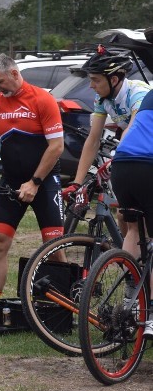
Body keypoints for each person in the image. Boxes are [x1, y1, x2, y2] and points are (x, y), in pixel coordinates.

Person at [0, 53, 64, 323]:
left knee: (54, 245)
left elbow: (57, 147)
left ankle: (60, 310)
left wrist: (35, 182)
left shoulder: (42, 99)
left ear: (14, 73)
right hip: (10, 181)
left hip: (43, 182)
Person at [64, 46, 151, 197]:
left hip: (146, 151)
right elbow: (93, 139)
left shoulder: (138, 92)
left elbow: (132, 130)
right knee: (123, 214)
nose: (91, 86)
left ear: (114, 80)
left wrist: (118, 158)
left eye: (95, 80)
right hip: (139, 149)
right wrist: (76, 183)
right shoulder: (103, 98)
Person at [109, 90, 153, 337]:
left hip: (122, 163)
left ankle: (130, 300)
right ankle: (152, 316)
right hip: (148, 164)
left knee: (134, 228)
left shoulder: (149, 96)